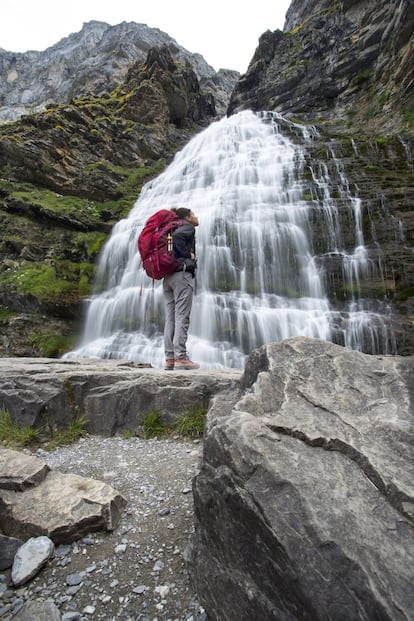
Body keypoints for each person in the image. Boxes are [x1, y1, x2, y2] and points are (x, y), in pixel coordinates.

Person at [163, 207, 200, 370]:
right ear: (187, 217)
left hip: (168, 277)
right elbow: (178, 239)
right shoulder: (186, 227)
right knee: (182, 316)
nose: (196, 217)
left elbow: (172, 243)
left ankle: (170, 358)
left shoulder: (170, 229)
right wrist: (187, 255)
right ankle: (181, 358)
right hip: (182, 276)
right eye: (193, 214)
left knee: (170, 317)